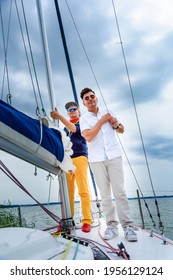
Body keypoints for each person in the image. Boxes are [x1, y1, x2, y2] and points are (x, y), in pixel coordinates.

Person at [79, 87, 137, 241]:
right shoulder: (83, 119)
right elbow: (89, 137)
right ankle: (111, 226)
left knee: (120, 192)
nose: (90, 99)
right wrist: (102, 120)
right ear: (84, 103)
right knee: (105, 195)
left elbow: (121, 129)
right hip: (96, 160)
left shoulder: (108, 111)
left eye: (92, 96)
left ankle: (128, 226)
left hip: (114, 156)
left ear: (96, 98)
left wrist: (115, 124)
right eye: (87, 98)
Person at [50, 102, 92, 233]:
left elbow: (74, 129)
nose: (72, 111)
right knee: (68, 193)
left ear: (78, 111)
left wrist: (59, 116)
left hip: (80, 157)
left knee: (83, 191)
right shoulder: (64, 130)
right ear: (68, 112)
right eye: (70, 110)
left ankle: (86, 221)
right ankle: (69, 220)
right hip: (67, 160)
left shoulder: (82, 123)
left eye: (74, 109)